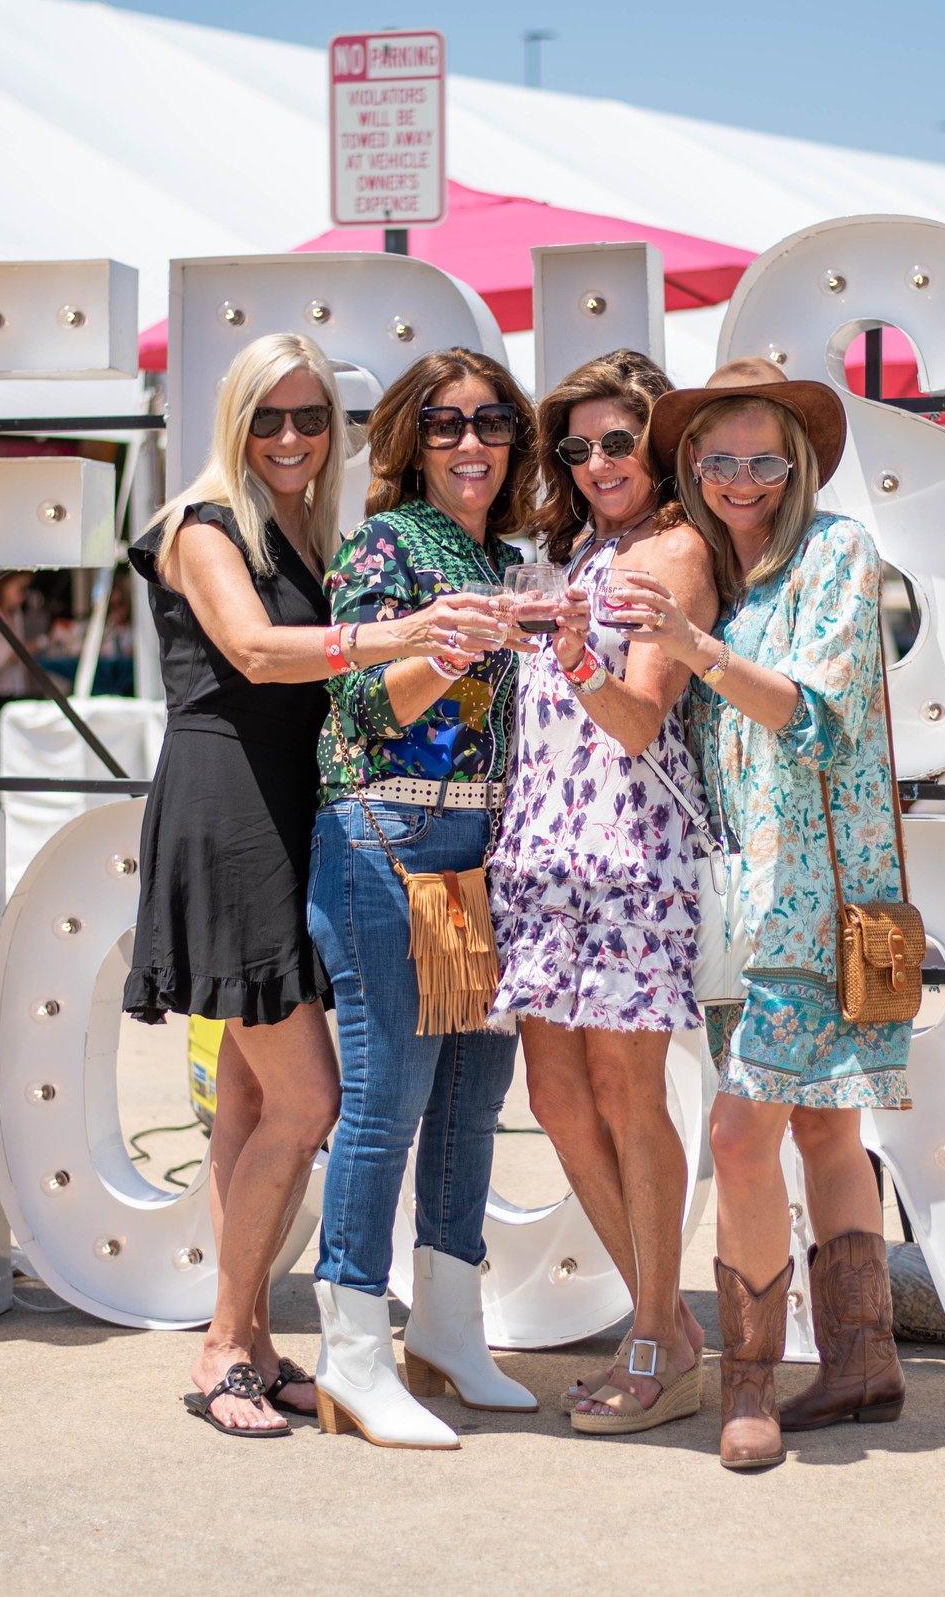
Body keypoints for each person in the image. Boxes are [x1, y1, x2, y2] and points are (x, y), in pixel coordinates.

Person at [125, 332, 486, 1438]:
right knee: (310, 1099)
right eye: (268, 417)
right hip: (229, 813)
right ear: (233, 423)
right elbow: (254, 650)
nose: (290, 436)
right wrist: (407, 632)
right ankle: (223, 1349)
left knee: (247, 1099)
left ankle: (248, 1336)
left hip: (299, 810)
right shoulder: (201, 525)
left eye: (310, 417)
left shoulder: (307, 527)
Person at [608, 359, 911, 1472]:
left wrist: (696, 653)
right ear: (692, 465)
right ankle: (862, 1359)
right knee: (826, 1124)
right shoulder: (723, 582)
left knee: (740, 1135)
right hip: (745, 909)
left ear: (795, 467)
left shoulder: (836, 554)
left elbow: (810, 716)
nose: (740, 480)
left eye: (761, 461)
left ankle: (750, 1383)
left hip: (819, 907)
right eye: (718, 460)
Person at [307, 347, 539, 1449]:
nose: (470, 443)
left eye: (492, 422)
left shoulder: (507, 553)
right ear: (409, 439)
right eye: (445, 425)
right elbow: (371, 702)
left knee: (467, 1096)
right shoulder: (387, 543)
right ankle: (350, 1349)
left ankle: (447, 1326)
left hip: (470, 848)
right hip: (387, 835)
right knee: (386, 1098)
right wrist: (456, 643)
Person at [486, 350, 717, 1435]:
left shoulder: (674, 551)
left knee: (630, 1097)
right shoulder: (574, 550)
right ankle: (666, 1326)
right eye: (573, 447)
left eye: (617, 441)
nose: (594, 463)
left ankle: (655, 1338)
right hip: (539, 850)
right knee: (557, 1100)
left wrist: (575, 652)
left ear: (656, 442)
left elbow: (634, 721)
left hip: (629, 849)